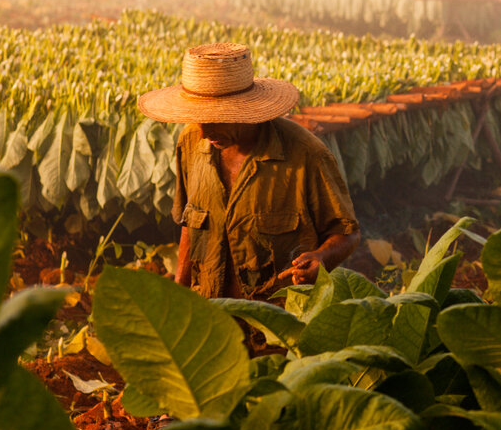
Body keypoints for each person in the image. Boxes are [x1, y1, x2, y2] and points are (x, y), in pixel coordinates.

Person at [138, 42, 360, 300]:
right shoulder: (191, 142)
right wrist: (179, 292)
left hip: (277, 322)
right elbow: (190, 224)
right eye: (198, 118)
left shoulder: (305, 153)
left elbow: (346, 233)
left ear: (244, 110)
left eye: (215, 120)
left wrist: (321, 258)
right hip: (212, 315)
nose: (204, 132)